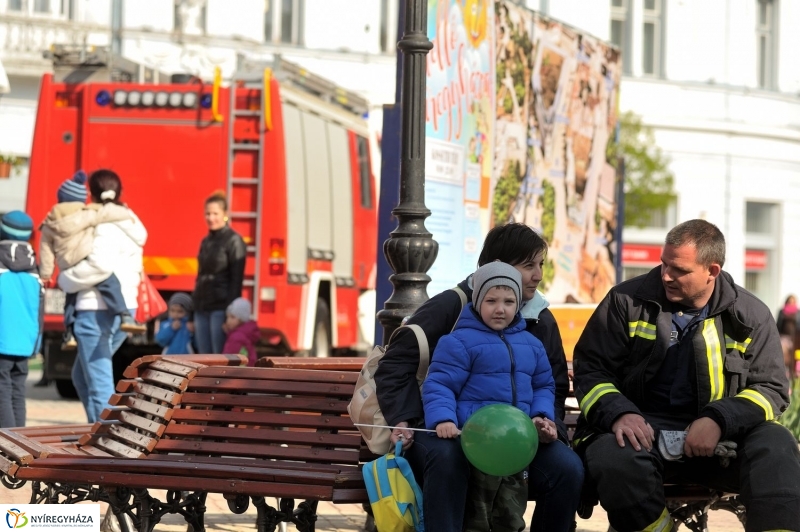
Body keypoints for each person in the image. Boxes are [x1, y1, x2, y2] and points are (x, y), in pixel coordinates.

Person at [572, 219, 800, 532]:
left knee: (776, 443)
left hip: (722, 443)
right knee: (611, 455)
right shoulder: (625, 301)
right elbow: (591, 370)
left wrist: (718, 420)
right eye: (664, 263)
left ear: (712, 271)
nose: (666, 275)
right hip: (640, 435)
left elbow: (771, 389)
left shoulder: (751, 315)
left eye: (680, 270)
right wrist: (620, 415)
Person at [375, 223, 584, 532]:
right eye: (529, 265)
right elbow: (395, 366)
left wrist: (547, 424)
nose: (538, 275)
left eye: (540, 264)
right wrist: (405, 419)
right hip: (447, 429)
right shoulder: (452, 306)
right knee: (449, 460)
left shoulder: (540, 317)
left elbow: (550, 383)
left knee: (567, 470)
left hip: (516, 433)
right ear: (496, 266)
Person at [423, 262, 557, 532]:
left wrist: (541, 416)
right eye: (491, 300)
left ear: (518, 304)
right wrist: (443, 419)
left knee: (510, 516)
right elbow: (439, 384)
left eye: (509, 301)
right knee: (477, 517)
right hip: (479, 442)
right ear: (477, 301)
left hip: (516, 444)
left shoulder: (532, 345)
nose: (500, 308)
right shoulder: (458, 342)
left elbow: (544, 385)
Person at [58, 169, 147, 423]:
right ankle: (96, 435)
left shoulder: (102, 224)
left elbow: (99, 266)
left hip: (95, 309)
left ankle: (106, 447)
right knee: (82, 377)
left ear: (92, 195)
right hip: (125, 309)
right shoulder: (131, 222)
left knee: (99, 384)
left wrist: (65, 279)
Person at [39, 170, 145, 351]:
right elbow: (107, 215)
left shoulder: (49, 223)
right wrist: (125, 213)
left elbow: (46, 251)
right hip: (90, 266)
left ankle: (69, 334)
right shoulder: (89, 215)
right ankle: (125, 315)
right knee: (110, 283)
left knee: (70, 301)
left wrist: (47, 274)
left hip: (69, 266)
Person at [0, 211, 43, 428]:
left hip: (2, 339)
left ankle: (6, 443)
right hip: (24, 341)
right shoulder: (34, 267)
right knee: (18, 390)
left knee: (2, 390)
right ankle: (19, 440)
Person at [193, 191, 246, 354]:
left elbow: (236, 280)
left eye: (215, 213)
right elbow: (200, 276)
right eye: (207, 213)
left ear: (225, 215)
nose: (210, 218)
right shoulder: (206, 241)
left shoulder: (234, 240)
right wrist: (191, 312)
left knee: (219, 357)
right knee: (203, 358)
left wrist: (231, 314)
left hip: (220, 309)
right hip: (201, 308)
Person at [222, 297, 260, 366]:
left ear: (241, 320)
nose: (228, 320)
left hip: (237, 373)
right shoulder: (244, 333)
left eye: (232, 317)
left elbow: (228, 358)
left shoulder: (236, 337)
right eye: (227, 317)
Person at [775, 294, 797, 381]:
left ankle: (793, 375)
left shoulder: (797, 312)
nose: (791, 303)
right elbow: (778, 325)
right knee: (784, 356)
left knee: (794, 358)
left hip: (794, 339)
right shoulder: (782, 312)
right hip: (784, 337)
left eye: (793, 301)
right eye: (789, 301)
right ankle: (783, 374)